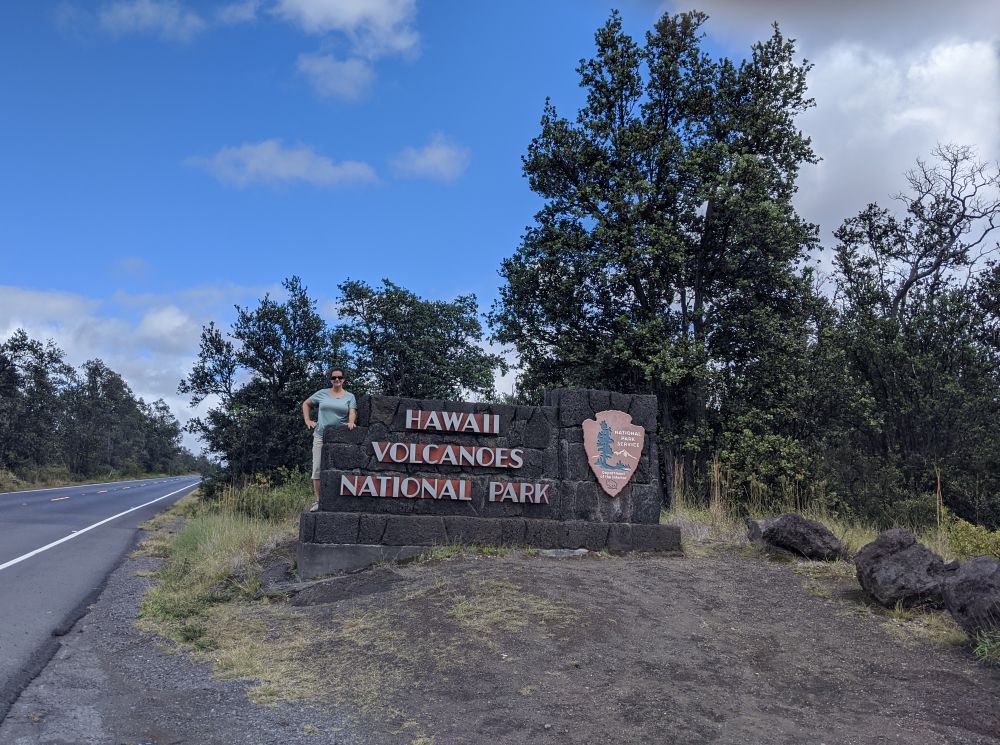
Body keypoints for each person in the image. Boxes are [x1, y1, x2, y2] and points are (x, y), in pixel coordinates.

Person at [302, 367, 357, 511]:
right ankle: (318, 501)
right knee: (317, 468)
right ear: (331, 380)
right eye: (334, 378)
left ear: (344, 379)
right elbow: (306, 404)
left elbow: (352, 411)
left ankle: (341, 500)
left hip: (340, 437)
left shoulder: (350, 396)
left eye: (339, 377)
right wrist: (308, 420)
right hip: (321, 435)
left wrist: (351, 422)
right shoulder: (322, 394)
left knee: (341, 468)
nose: (337, 380)